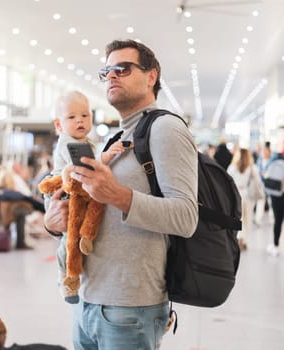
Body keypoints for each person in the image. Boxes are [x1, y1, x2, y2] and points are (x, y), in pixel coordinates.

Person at [43, 39, 198, 349]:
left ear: (151, 76)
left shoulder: (165, 128)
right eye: (107, 71)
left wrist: (117, 195)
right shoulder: (114, 137)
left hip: (131, 307)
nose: (112, 75)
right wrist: (53, 222)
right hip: (87, 300)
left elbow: (185, 217)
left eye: (123, 69)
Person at [50, 90, 127, 303]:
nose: (80, 121)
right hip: (64, 191)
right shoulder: (67, 141)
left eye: (85, 115)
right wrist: (106, 156)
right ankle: (65, 276)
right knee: (68, 237)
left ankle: (84, 243)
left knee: (79, 228)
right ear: (59, 125)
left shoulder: (86, 140)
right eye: (72, 117)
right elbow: (84, 164)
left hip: (77, 191)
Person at [227, 148, 261, 251]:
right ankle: (244, 240)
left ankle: (238, 238)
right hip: (247, 195)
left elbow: (227, 180)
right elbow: (257, 182)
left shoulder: (232, 167)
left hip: (236, 195)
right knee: (247, 219)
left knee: (237, 218)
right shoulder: (252, 167)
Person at [254, 141, 273, 225]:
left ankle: (272, 219)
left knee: (271, 202)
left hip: (270, 184)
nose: (265, 153)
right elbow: (257, 170)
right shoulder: (259, 160)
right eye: (263, 151)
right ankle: (258, 219)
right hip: (261, 184)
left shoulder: (271, 161)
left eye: (266, 151)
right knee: (260, 201)